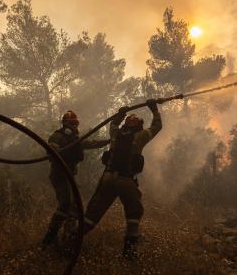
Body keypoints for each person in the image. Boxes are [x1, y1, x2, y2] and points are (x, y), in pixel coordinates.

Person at [82, 99, 162, 259]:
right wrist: (154, 109)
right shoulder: (141, 135)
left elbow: (112, 125)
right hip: (126, 181)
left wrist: (120, 115)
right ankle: (129, 252)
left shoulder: (116, 134)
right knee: (135, 212)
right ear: (139, 125)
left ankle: (72, 238)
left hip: (108, 178)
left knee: (93, 213)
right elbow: (157, 127)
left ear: (126, 124)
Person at [40, 110, 110, 249]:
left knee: (74, 208)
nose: (74, 126)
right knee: (66, 204)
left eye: (75, 123)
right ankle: (48, 239)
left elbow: (91, 143)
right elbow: (51, 150)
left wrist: (108, 141)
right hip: (60, 174)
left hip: (69, 175)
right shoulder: (58, 136)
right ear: (65, 123)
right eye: (72, 123)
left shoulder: (75, 139)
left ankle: (68, 239)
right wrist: (56, 151)